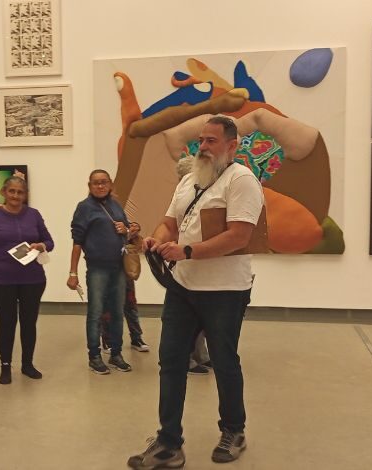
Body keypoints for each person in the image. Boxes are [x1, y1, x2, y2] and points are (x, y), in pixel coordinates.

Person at [128, 116, 264, 469]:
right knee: (171, 360)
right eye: (201, 140)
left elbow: (239, 236)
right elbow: (170, 222)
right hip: (183, 286)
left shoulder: (242, 181)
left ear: (232, 146)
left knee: (223, 360)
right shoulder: (189, 180)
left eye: (211, 141)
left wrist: (188, 252)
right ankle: (169, 442)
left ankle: (234, 429)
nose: (202, 146)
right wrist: (159, 238)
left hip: (225, 290)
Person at [0, 177, 53, 385]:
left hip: (33, 279)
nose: (15, 196)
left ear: (25, 195)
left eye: (20, 192)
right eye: (11, 191)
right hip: (2, 279)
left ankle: (27, 364)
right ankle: (5, 366)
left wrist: (40, 245)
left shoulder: (34, 215)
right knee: (7, 322)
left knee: (29, 323)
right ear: (4, 192)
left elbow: (50, 241)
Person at [68, 170, 136, 374]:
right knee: (96, 313)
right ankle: (94, 356)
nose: (100, 186)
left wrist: (126, 230)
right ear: (89, 186)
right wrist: (73, 272)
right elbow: (77, 242)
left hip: (118, 268)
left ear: (110, 184)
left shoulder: (115, 205)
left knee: (117, 312)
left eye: (103, 182)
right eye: (95, 183)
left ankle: (116, 354)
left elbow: (127, 229)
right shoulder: (84, 208)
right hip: (97, 268)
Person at [100, 278, 150, 353]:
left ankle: (136, 338)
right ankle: (108, 341)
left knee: (131, 305)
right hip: (106, 271)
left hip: (125, 272)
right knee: (107, 307)